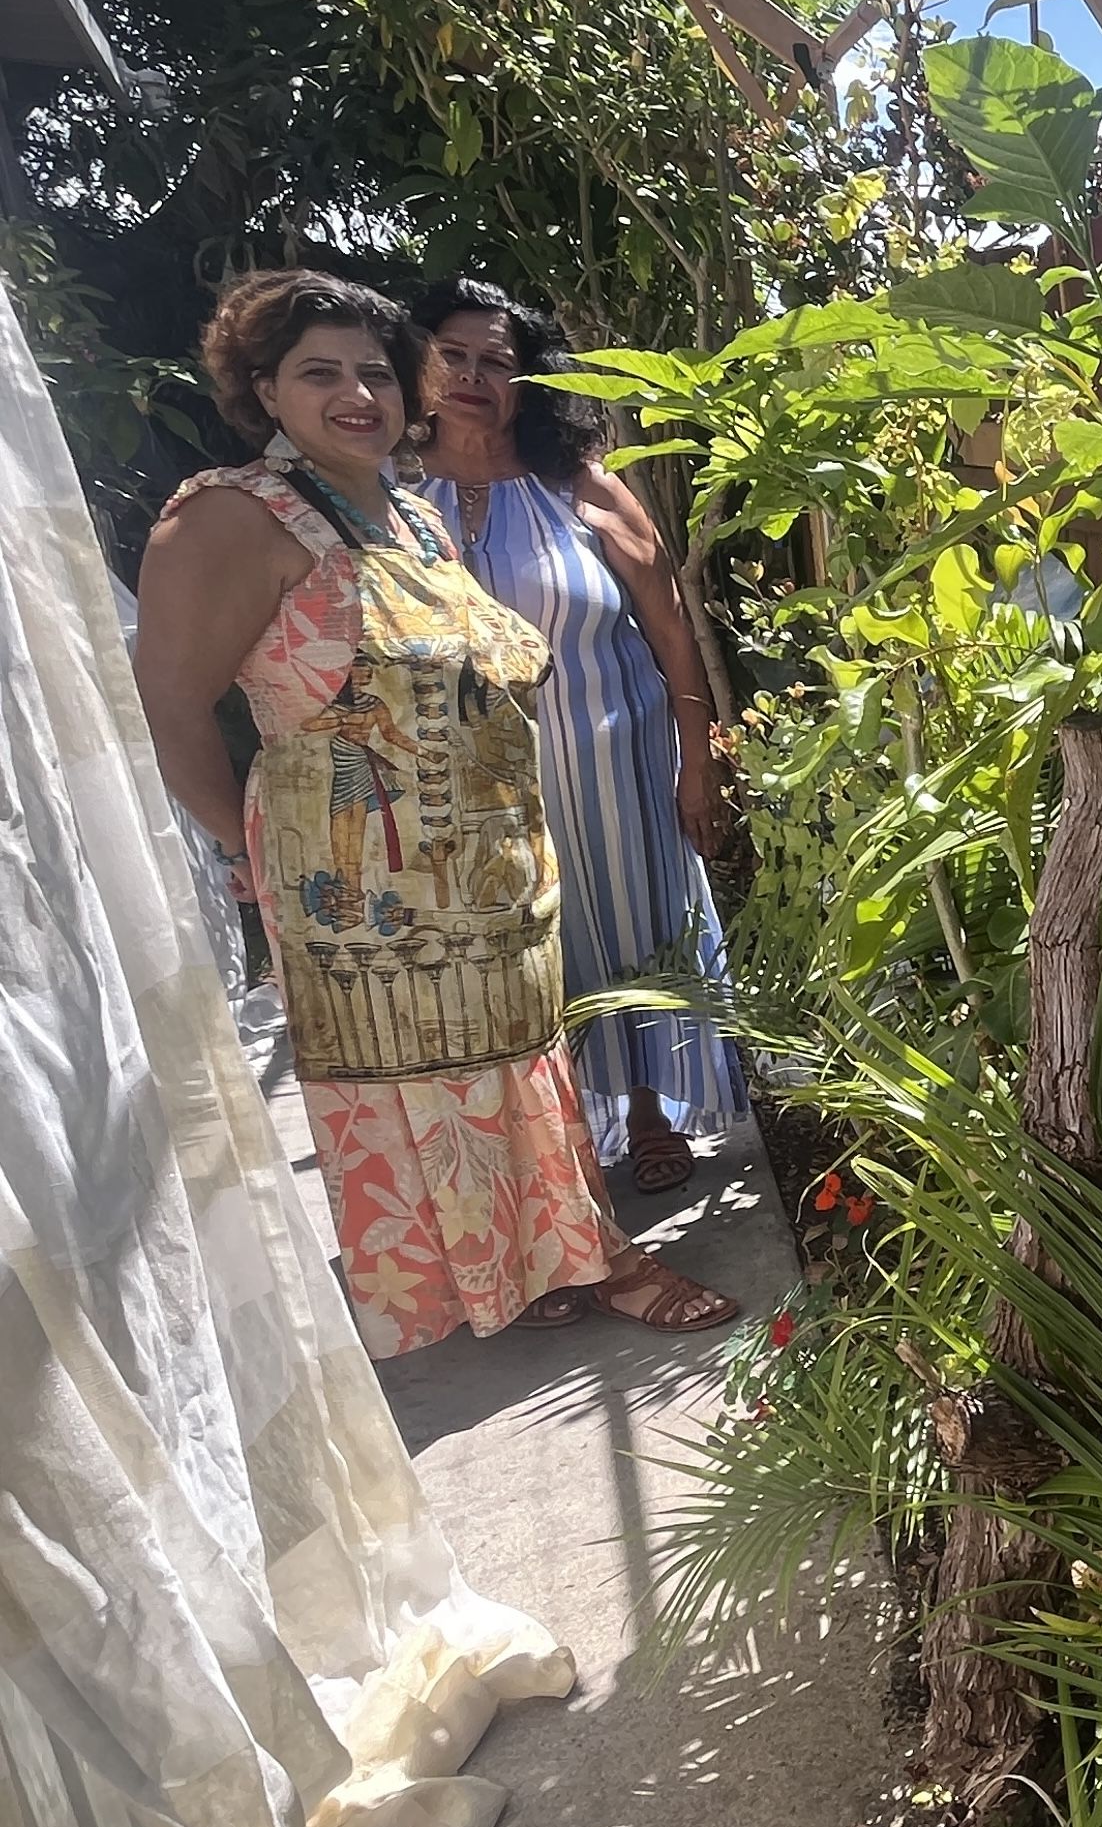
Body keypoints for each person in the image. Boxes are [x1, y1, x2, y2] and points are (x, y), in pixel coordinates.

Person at [132, 267, 735, 1354]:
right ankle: (579, 1263)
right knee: (411, 1082)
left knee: (509, 1067)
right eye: (322, 373)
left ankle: (526, 1268)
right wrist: (252, 848)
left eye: (376, 373)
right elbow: (171, 704)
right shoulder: (230, 517)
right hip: (362, 881)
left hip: (484, 867)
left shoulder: (406, 513)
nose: (358, 395)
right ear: (265, 389)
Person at [411, 276, 744, 1193]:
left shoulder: (579, 486)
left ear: (532, 381)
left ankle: (646, 1109)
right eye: (454, 355)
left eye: (498, 361)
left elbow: (670, 622)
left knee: (632, 926)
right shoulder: (388, 497)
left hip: (613, 758)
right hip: (470, 780)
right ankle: (550, 1137)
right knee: (515, 954)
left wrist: (695, 764)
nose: (473, 376)